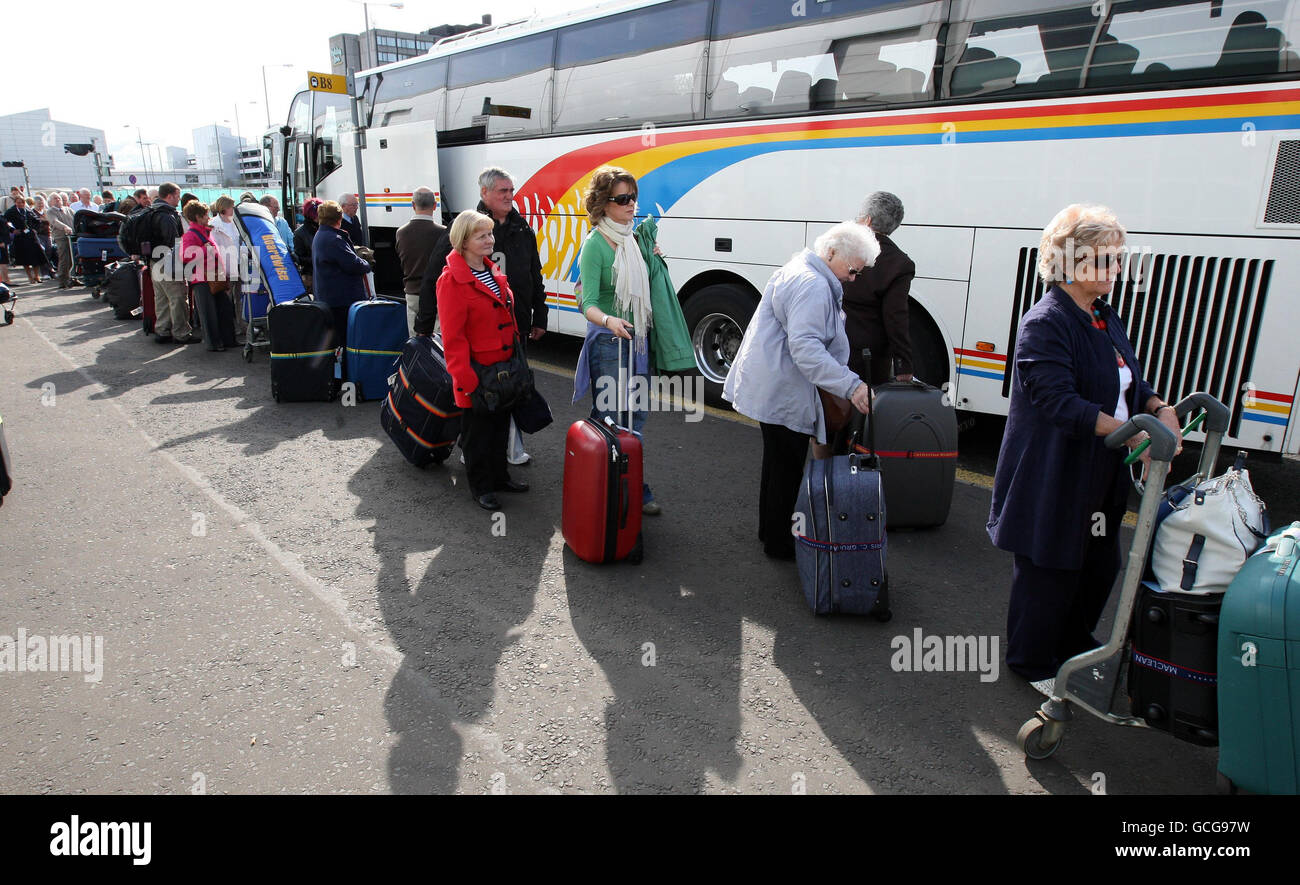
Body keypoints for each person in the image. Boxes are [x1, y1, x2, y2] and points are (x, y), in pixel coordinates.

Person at [987, 204, 1183, 694]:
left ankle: (1073, 649)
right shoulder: (1046, 322)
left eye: (1117, 260)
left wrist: (1159, 407)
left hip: (1100, 467)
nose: (1116, 271)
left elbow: (1128, 379)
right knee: (1050, 565)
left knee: (1099, 563)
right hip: (1055, 470)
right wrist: (1130, 430)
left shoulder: (1101, 315)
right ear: (1070, 263)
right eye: (1105, 260)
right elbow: (1058, 402)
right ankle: (1032, 663)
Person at [723, 222, 880, 559]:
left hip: (776, 384)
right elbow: (807, 350)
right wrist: (852, 385)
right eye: (853, 270)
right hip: (786, 388)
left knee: (777, 462)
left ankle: (770, 533)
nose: (853, 278)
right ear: (832, 252)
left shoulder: (801, 270)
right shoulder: (812, 285)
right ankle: (780, 545)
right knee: (787, 467)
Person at [570, 166, 695, 515]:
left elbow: (652, 286)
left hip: (638, 342)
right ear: (602, 204)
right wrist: (609, 321)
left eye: (633, 197)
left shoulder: (636, 240)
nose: (630, 204)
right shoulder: (595, 245)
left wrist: (654, 258)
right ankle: (607, 486)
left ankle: (629, 485)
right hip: (609, 343)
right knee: (610, 417)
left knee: (636, 416)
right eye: (622, 198)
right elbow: (586, 301)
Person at [416, 168, 548, 465]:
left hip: (515, 329)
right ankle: (474, 454)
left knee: (512, 388)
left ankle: (510, 452)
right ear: (484, 193)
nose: (509, 196)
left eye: (511, 190)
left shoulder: (522, 228)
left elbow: (533, 275)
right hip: (480, 341)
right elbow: (432, 278)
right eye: (502, 191)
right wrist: (423, 327)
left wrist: (540, 315)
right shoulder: (465, 228)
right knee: (480, 396)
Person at [436, 209, 528, 511]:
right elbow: (453, 338)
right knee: (478, 436)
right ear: (464, 241)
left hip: (503, 370)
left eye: (490, 233)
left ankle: (500, 477)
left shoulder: (491, 272)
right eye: (482, 235)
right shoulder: (451, 281)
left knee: (500, 428)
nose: (490, 239)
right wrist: (467, 380)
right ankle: (481, 487)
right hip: (476, 375)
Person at [843, 191, 917, 384]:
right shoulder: (899, 263)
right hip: (868, 360)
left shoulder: (840, 247)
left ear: (867, 220)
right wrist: (903, 365)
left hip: (831, 350)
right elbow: (896, 317)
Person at [311, 200, 371, 355]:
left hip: (328, 297)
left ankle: (339, 374)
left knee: (335, 340)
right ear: (339, 219)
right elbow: (354, 265)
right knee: (346, 340)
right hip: (341, 300)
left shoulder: (320, 235)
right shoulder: (334, 239)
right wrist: (367, 262)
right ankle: (345, 375)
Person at [180, 201, 237, 352]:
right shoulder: (191, 235)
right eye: (205, 215)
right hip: (203, 279)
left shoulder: (203, 232)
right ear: (198, 217)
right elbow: (185, 255)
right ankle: (214, 343)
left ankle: (227, 340)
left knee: (223, 308)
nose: (208, 217)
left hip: (212, 276)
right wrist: (206, 251)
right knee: (209, 312)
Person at [146, 182, 198, 345]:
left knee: (161, 298)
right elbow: (174, 242)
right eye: (177, 195)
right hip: (168, 262)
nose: (179, 199)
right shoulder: (167, 215)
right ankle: (181, 333)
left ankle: (162, 330)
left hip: (154, 261)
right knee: (178, 298)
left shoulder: (151, 212)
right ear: (169, 196)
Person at [396, 186, 444, 337]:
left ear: (413, 205)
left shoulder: (401, 232)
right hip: (437, 293)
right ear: (435, 206)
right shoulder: (443, 232)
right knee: (439, 340)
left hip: (413, 291)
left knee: (415, 341)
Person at [209, 195, 245, 339]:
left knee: (240, 297)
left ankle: (241, 324)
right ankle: (229, 327)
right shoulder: (214, 224)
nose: (234, 209)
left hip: (238, 264)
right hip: (225, 266)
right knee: (227, 298)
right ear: (224, 208)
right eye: (231, 206)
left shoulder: (235, 222)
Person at [3, 194, 48, 284]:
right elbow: (5, 222)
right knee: (24, 258)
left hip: (31, 236)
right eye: (18, 202)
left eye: (22, 202)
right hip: (20, 238)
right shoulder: (10, 211)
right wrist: (12, 230)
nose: (20, 204)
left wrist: (35, 229)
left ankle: (36, 276)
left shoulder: (28, 210)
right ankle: (30, 277)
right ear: (15, 203)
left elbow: (37, 220)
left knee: (36, 257)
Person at [45, 193, 76, 288]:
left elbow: (76, 219)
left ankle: (72, 278)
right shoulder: (50, 211)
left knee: (73, 259)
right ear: (50, 202)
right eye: (55, 198)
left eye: (59, 198)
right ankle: (62, 281)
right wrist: (65, 227)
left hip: (72, 237)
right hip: (62, 238)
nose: (58, 200)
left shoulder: (68, 209)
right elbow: (54, 221)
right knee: (64, 258)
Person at [293, 197, 321, 289]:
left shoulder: (324, 228)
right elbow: (300, 258)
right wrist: (318, 259)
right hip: (311, 276)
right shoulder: (300, 233)